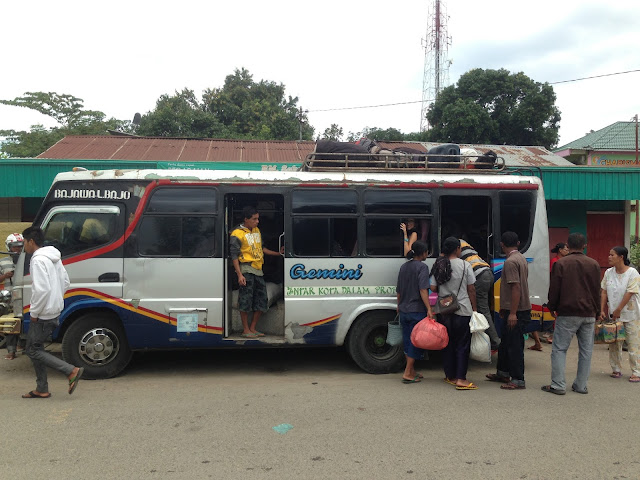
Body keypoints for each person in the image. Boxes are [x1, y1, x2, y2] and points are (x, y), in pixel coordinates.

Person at [21, 226, 83, 398]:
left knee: (32, 350)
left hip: (43, 313)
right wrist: (55, 300)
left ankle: (71, 371)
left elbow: (41, 290)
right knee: (36, 348)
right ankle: (42, 389)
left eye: (24, 242)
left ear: (31, 241)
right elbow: (66, 282)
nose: (24, 246)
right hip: (54, 310)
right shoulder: (54, 257)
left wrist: (34, 313)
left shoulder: (37, 260)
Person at [541, 233, 601, 395]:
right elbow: (597, 291)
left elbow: (555, 289)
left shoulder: (561, 263)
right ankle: (581, 385)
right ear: (584, 246)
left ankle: (558, 384)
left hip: (567, 312)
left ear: (568, 245)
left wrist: (552, 306)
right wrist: (598, 311)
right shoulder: (594, 264)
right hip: (588, 313)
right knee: (586, 351)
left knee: (560, 349)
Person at [430, 237, 478, 390]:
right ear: (457, 249)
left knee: (447, 343)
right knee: (462, 344)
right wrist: (475, 309)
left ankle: (449, 376)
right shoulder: (465, 265)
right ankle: (461, 379)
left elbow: (433, 288)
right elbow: (471, 289)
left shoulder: (439, 264)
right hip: (462, 310)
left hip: (444, 310)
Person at [486, 231, 531, 390]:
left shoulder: (510, 262)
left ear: (501, 244)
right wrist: (505, 309)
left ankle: (518, 379)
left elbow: (515, 287)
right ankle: (503, 372)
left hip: (517, 310)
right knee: (505, 343)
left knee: (514, 345)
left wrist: (512, 312)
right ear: (518, 243)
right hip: (514, 308)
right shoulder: (521, 258)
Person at [230, 206, 282, 338]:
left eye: (258, 219)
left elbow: (262, 248)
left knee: (262, 300)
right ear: (246, 219)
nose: (257, 221)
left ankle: (253, 328)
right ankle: (245, 330)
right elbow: (234, 256)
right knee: (245, 300)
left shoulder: (256, 231)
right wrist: (239, 275)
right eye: (254, 219)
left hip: (258, 270)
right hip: (246, 269)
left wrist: (278, 253)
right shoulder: (237, 233)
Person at [600, 246, 640, 382]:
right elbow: (604, 291)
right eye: (609, 254)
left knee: (633, 343)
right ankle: (616, 369)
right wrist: (602, 309)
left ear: (621, 257)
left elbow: (630, 292)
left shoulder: (632, 273)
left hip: (631, 314)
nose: (609, 257)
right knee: (614, 343)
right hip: (614, 315)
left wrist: (619, 309)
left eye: (612, 255)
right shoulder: (608, 273)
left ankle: (636, 371)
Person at [396, 240, 433, 383]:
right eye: (426, 252)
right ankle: (407, 373)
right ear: (423, 253)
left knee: (407, 340)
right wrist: (429, 308)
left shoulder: (404, 266)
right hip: (416, 310)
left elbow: (399, 290)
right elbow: (423, 289)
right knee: (416, 342)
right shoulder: (422, 267)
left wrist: (398, 305)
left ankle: (411, 370)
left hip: (404, 310)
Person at [459, 239, 500, 351]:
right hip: (487, 272)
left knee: (482, 310)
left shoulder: (456, 246)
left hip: (479, 275)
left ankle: (495, 342)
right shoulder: (465, 243)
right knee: (485, 308)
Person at [2, 233, 24, 360]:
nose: (18, 249)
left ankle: (22, 345)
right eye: (15, 246)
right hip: (10, 299)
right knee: (11, 324)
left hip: (24, 297)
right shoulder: (3, 262)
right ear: (9, 247)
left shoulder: (27, 260)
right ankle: (11, 351)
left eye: (20, 246)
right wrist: (5, 276)